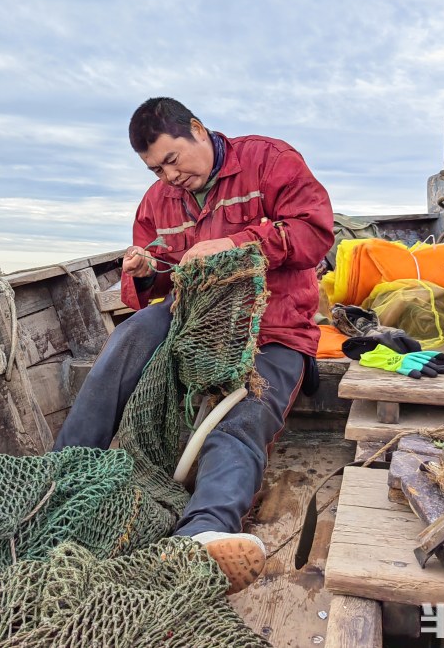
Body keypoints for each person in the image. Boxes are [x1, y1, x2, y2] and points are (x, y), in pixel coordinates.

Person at [53, 97, 334, 593]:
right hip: (192, 322)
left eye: (171, 160)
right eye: (154, 168)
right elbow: (157, 278)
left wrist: (237, 244)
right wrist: (143, 271)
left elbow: (315, 232)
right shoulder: (156, 201)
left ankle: (203, 532)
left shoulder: (269, 160)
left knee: (243, 416)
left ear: (198, 131)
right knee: (129, 336)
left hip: (271, 328)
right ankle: (60, 474)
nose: (167, 177)